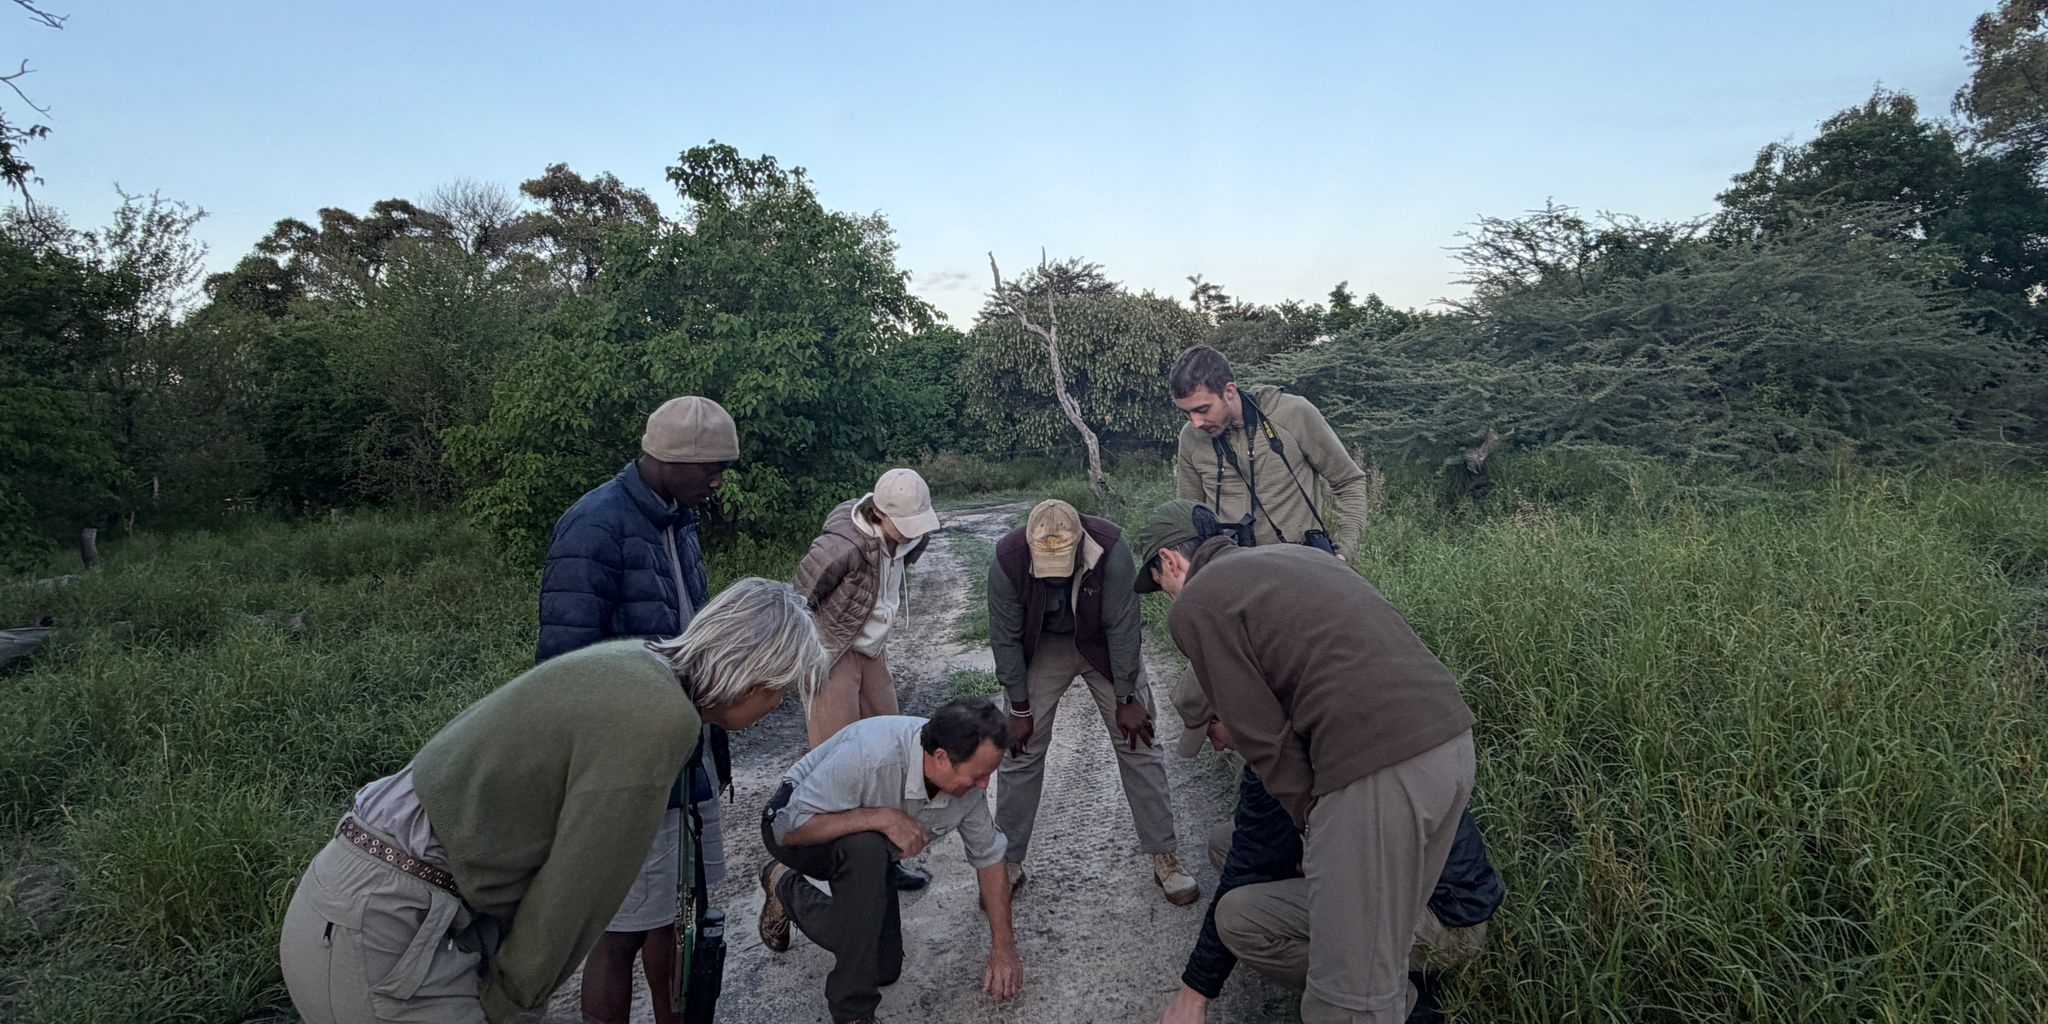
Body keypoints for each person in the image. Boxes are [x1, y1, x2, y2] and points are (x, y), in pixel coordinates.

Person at [279, 579, 827, 1024]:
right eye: (779, 691)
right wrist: (512, 1004)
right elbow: (579, 890)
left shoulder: (637, 663)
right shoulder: (662, 719)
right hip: (386, 930)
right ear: (752, 676)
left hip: (358, 897)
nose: (776, 707)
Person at [1134, 499, 1479, 1024]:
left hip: (1375, 771)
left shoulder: (1199, 603)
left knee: (1346, 1002)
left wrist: (1313, 825)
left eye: (1159, 584)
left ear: (1171, 562)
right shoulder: (1295, 558)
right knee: (1379, 952)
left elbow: (1262, 737)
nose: (1168, 599)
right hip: (1450, 744)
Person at [536, 395, 741, 1024]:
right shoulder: (593, 525)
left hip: (684, 747)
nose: (719, 481)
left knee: (676, 909)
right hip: (628, 766)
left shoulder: (679, 519)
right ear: (671, 459)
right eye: (711, 467)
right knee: (620, 929)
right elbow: (563, 665)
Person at [1157, 676, 1505, 1024]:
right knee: (1224, 842)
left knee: (1237, 918)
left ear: (1233, 712)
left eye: (1210, 731)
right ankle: (1383, 963)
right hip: (1411, 886)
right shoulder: (1299, 718)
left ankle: (1398, 999)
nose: (1215, 747)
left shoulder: (1285, 755)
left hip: (1446, 920)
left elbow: (1247, 869)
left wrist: (1195, 992)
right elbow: (1257, 848)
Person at [755, 699, 1026, 1024]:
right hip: (799, 830)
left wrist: (1003, 948)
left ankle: (785, 886)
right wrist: (880, 817)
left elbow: (990, 859)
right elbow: (788, 828)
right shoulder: (871, 756)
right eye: (979, 776)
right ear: (941, 758)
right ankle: (853, 1013)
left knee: (882, 965)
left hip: (868, 856)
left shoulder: (965, 786)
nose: (984, 786)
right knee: (867, 849)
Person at [987, 499, 1197, 904]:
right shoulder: (1007, 559)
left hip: (1102, 642)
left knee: (1139, 742)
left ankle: (1165, 856)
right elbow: (1005, 638)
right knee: (1020, 748)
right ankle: (1008, 863)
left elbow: (1123, 626)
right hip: (1045, 645)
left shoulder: (1111, 548)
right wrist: (1018, 706)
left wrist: (1127, 697)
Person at [1168, 344, 1372, 556]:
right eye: (1186, 413)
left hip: (1299, 568)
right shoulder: (1191, 437)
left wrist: (1343, 553)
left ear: (1229, 391)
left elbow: (1349, 481)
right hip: (1229, 572)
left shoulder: (1292, 414)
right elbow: (1190, 516)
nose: (1196, 422)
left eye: (1202, 410)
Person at [792, 466, 941, 748]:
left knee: (888, 738)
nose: (914, 533)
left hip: (873, 649)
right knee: (835, 747)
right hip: (832, 651)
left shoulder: (916, 538)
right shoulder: (841, 547)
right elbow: (799, 596)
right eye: (905, 524)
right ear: (879, 514)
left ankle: (878, 793)